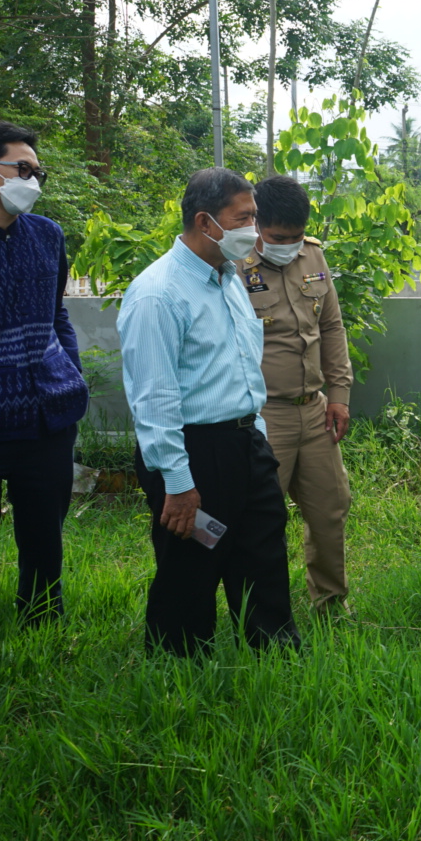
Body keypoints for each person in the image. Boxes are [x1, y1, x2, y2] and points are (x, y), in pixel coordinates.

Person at [117, 168, 299, 656]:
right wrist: (177, 482)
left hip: (244, 442)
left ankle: (275, 653)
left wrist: (256, 435)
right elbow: (154, 400)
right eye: (244, 218)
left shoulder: (229, 279)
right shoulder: (158, 294)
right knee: (191, 566)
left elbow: (242, 367)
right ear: (205, 221)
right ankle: (179, 663)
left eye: (255, 217)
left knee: (263, 554)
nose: (255, 231)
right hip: (191, 449)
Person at [0, 121, 88, 624]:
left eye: (37, 170)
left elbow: (57, 313)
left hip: (48, 419)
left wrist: (70, 370)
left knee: (44, 537)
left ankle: (43, 625)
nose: (34, 179)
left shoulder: (47, 235)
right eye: (22, 169)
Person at [236, 175, 354, 616]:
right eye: (278, 237)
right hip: (265, 415)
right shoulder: (233, 264)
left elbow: (331, 327)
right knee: (262, 519)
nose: (289, 245)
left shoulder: (314, 256)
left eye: (297, 236)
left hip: (316, 411)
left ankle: (329, 602)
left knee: (330, 509)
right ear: (258, 226)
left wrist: (339, 394)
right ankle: (261, 612)